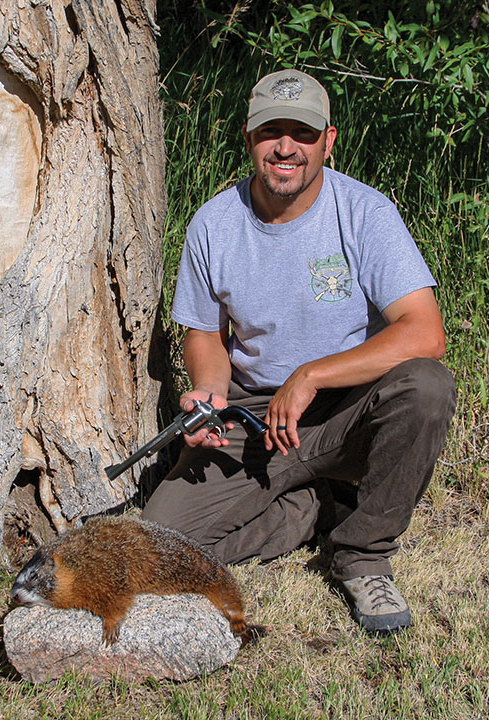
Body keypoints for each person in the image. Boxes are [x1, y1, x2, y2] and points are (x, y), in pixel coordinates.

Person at [141, 68, 456, 634]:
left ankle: (362, 553)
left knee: (427, 385)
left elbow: (424, 332)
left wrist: (312, 374)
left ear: (328, 141)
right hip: (255, 418)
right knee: (161, 544)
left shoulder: (366, 213)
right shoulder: (214, 224)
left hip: (348, 410)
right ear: (248, 139)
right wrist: (211, 393)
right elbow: (206, 334)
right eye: (271, 132)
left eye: (303, 133)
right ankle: (308, 509)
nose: (286, 147)